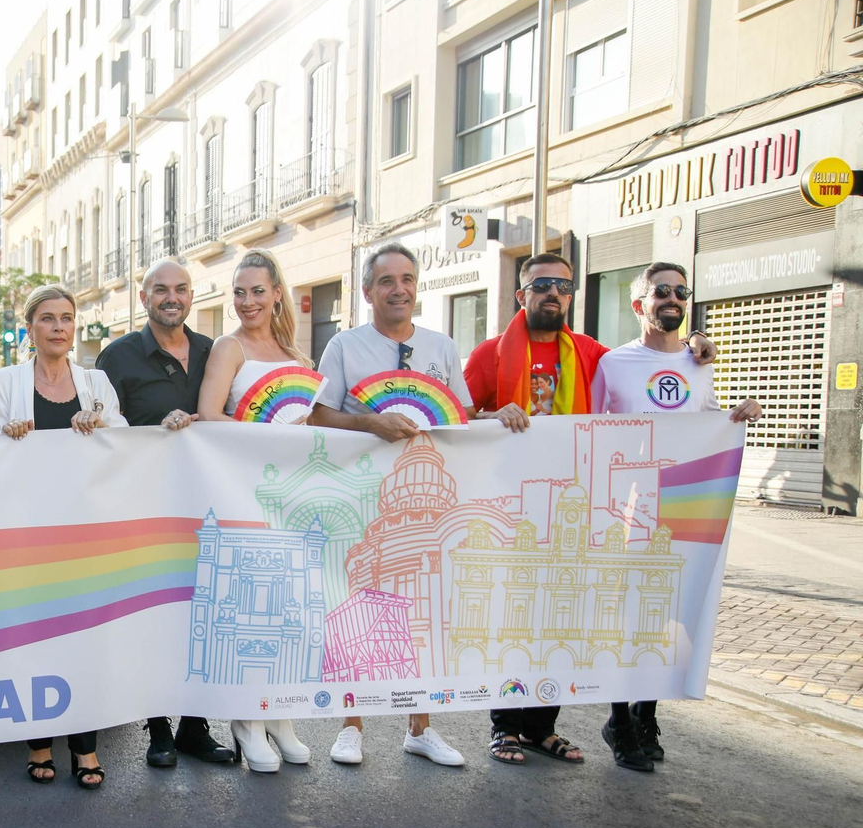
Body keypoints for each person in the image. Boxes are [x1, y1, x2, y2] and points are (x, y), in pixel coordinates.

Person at [463, 252, 716, 765]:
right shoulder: (489, 354)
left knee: (560, 619)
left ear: (572, 295)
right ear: (522, 295)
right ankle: (506, 727)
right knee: (514, 617)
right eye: (541, 285)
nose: (552, 293)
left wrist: (693, 343)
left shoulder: (590, 353)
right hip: (512, 503)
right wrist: (492, 413)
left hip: (572, 505)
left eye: (563, 285)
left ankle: (541, 728)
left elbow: (650, 355)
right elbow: (457, 416)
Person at [309, 242, 530, 770]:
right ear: (368, 291)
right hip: (366, 494)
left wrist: (499, 416)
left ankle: (420, 727)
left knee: (429, 612)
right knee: (362, 609)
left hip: (426, 506)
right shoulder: (343, 346)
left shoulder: (441, 346)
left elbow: (456, 416)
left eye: (407, 279)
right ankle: (351, 725)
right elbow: (317, 416)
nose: (399, 289)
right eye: (387, 281)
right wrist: (369, 422)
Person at [590, 261, 760, 773]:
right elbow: (591, 429)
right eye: (661, 291)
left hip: (682, 510)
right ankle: (619, 719)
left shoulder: (699, 362)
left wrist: (737, 415)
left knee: (667, 612)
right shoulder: (614, 363)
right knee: (626, 616)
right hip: (628, 510)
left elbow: (704, 421)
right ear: (639, 303)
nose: (673, 299)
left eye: (681, 292)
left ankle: (648, 713)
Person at [97, 257, 236, 768]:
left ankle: (195, 727)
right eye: (160, 289)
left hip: (208, 505)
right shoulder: (117, 356)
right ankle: (157, 727)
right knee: (156, 614)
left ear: (192, 296)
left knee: (203, 613)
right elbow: (106, 429)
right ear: (143, 298)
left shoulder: (214, 351)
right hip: (147, 507)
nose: (171, 297)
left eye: (180, 288)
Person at [0, 283, 126, 790]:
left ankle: (85, 747)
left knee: (85, 639)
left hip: (85, 532)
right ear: (30, 329)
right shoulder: (6, 381)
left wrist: (101, 423)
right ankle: (39, 743)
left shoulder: (96, 381)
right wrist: (7, 436)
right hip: (26, 532)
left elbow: (124, 443)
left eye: (66, 318)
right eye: (47, 318)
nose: (59, 327)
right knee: (35, 640)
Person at [192, 249, 321, 773]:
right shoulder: (230, 347)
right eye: (239, 293)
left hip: (292, 490)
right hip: (244, 486)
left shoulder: (295, 352)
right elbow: (208, 414)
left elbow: (309, 418)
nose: (248, 302)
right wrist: (266, 435)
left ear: (276, 294)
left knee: (289, 607)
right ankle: (247, 721)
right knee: (248, 606)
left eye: (257, 291)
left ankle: (281, 715)